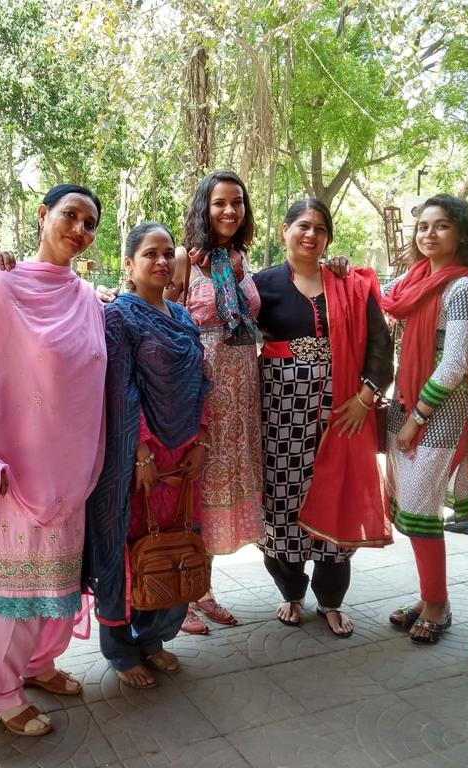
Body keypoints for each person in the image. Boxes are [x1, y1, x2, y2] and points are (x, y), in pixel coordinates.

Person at [0, 185, 107, 736]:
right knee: (9, 589)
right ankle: (0, 693)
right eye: (69, 215)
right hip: (11, 473)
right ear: (42, 215)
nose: (79, 229)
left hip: (69, 468)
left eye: (89, 223)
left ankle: (38, 665)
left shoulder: (87, 298)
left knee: (54, 583)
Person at [254, 199, 394, 633]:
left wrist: (365, 398)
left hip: (342, 416)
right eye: (302, 225)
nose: (311, 234)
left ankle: (331, 599)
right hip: (280, 417)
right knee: (283, 505)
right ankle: (292, 594)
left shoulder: (347, 282)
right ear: (284, 231)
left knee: (338, 497)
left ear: (329, 237)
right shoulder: (261, 286)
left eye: (320, 228)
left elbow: (379, 342)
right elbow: (227, 335)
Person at [85, 221, 212, 688]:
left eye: (167, 254)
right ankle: (121, 650)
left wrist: (200, 439)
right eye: (150, 254)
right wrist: (140, 451)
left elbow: (201, 383)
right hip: (136, 456)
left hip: (183, 454)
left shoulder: (182, 318)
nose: (161, 262)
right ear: (129, 264)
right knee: (129, 546)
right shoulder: (119, 316)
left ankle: (156, 639)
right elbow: (120, 387)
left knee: (176, 541)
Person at [382, 194, 468, 645]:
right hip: (402, 403)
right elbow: (380, 304)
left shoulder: (463, 287)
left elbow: (455, 363)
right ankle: (429, 596)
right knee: (409, 511)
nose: (429, 234)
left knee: (422, 512)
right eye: (423, 226)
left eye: (441, 226)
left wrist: (416, 418)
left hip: (439, 413)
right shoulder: (413, 280)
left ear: (461, 233)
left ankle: (439, 605)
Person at [171, 169, 264, 634]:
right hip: (203, 391)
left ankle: (202, 591)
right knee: (193, 492)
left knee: (214, 497)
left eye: (238, 203)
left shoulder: (241, 259)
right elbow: (163, 323)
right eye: (220, 203)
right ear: (204, 208)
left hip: (242, 393)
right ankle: (182, 597)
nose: (230, 211)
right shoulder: (186, 262)